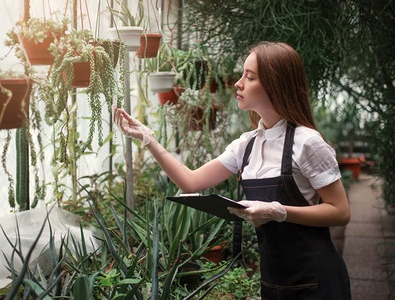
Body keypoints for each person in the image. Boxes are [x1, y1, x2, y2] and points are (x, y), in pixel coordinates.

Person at [113, 41, 351, 299]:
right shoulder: (247, 145)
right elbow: (190, 182)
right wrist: (148, 139)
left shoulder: (307, 142)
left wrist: (280, 212)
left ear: (275, 84)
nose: (238, 83)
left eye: (249, 77)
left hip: (316, 280)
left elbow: (340, 212)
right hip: (274, 279)